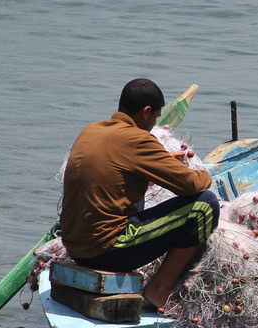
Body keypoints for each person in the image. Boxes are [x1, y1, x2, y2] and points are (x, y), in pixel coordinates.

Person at [59, 78, 220, 308]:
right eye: (155, 117)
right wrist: (203, 173)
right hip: (106, 251)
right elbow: (191, 185)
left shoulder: (91, 130)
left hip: (76, 247)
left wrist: (158, 163)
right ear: (146, 112)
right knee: (206, 204)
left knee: (135, 186)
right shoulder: (138, 139)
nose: (154, 123)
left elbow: (119, 165)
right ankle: (159, 289)